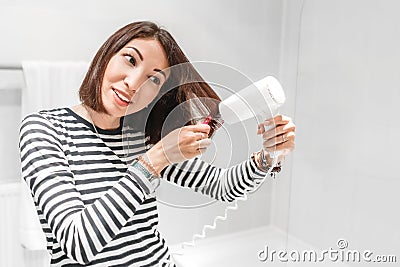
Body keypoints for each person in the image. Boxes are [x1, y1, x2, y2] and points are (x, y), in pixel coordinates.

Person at [19, 21, 296, 267]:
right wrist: (155, 160)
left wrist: (268, 156)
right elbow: (78, 245)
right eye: (129, 59)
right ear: (106, 56)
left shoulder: (142, 137)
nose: (133, 83)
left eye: (153, 78)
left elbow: (221, 186)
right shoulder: (45, 130)